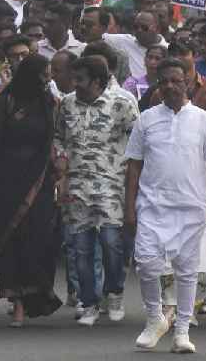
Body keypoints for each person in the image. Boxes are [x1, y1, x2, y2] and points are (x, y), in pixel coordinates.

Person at [123, 58, 206, 353]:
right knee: (146, 263)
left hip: (192, 206)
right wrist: (129, 207)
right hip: (152, 206)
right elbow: (134, 166)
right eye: (163, 81)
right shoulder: (146, 119)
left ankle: (182, 331)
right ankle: (156, 318)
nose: (169, 86)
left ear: (187, 83)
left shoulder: (202, 119)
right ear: (158, 85)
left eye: (175, 80)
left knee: (186, 271)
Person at [0, 54, 62, 327]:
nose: (48, 81)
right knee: (12, 239)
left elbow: (56, 141)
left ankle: (35, 295)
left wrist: (61, 174)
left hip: (40, 182)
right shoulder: (4, 103)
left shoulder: (49, 103)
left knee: (38, 240)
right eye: (44, 75)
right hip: (7, 180)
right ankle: (18, 302)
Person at [54, 56, 138, 326]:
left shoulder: (122, 104)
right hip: (77, 188)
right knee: (81, 250)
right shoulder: (66, 104)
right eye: (73, 78)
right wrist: (60, 156)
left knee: (113, 244)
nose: (74, 83)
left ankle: (114, 293)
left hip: (112, 186)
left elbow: (139, 140)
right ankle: (88, 303)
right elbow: (58, 136)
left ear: (98, 81)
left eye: (80, 79)